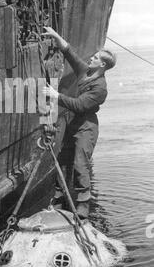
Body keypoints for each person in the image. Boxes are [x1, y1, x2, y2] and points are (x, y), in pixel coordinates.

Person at [43, 27, 117, 219]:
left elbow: (79, 105)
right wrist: (56, 35)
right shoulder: (86, 72)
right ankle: (59, 197)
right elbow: (70, 53)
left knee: (80, 163)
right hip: (73, 123)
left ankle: (83, 203)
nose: (91, 57)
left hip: (87, 127)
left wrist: (55, 95)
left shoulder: (100, 89)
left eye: (95, 57)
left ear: (102, 65)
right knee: (62, 159)